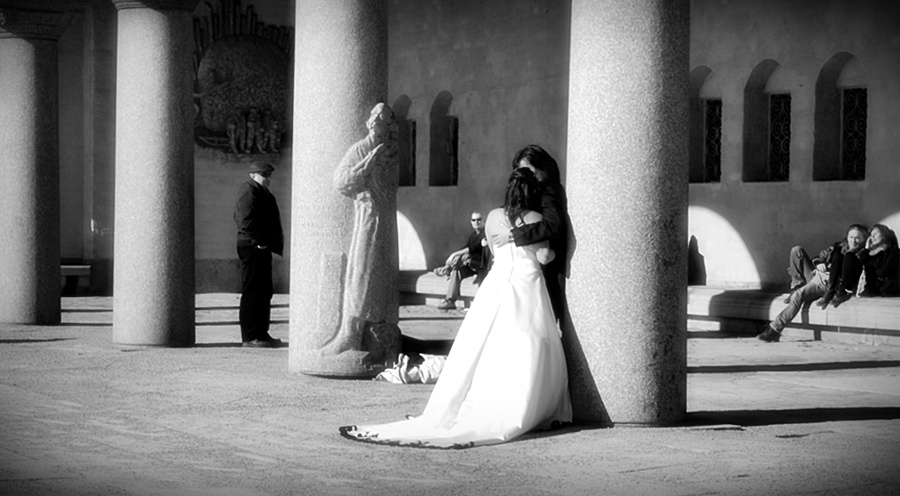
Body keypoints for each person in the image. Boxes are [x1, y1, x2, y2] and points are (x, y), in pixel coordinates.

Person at [339, 167, 572, 448]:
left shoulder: (494, 217)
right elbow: (544, 256)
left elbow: (493, 249)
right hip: (526, 285)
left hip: (496, 285)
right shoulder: (535, 219)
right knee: (528, 343)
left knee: (483, 343)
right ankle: (528, 406)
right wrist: (555, 251)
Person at [758, 224, 869, 343]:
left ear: (864, 239)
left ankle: (774, 329)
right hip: (816, 274)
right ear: (847, 237)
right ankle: (796, 286)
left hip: (825, 283)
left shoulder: (861, 254)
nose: (853, 241)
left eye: (857, 238)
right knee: (797, 250)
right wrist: (819, 263)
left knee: (798, 295)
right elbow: (819, 257)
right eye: (851, 237)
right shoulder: (837, 247)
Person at [508, 144, 570, 323]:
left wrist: (517, 234)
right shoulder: (532, 190)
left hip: (549, 266)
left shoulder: (550, 189)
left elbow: (553, 225)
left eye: (529, 171)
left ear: (543, 168)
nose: (526, 176)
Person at [234, 161, 284, 348]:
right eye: (265, 175)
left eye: (269, 175)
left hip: (261, 247)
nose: (268, 178)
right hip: (253, 247)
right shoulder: (249, 191)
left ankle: (261, 334)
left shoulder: (260, 191)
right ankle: (250, 336)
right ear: (253, 175)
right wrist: (259, 243)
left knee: (264, 291)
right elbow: (244, 221)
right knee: (253, 291)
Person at [434, 211, 491, 310]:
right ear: (471, 222)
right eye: (473, 220)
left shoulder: (486, 233)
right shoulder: (473, 235)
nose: (476, 222)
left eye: (479, 220)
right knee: (457, 271)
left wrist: (454, 254)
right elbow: (467, 247)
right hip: (471, 264)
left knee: (465, 256)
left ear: (484, 221)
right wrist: (455, 255)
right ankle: (450, 301)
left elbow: (474, 247)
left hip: (482, 265)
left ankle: (448, 269)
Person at [858, 224, 900, 297]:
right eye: (871, 235)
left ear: (884, 235)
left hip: (888, 290)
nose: (872, 237)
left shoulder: (894, 252)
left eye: (875, 234)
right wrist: (867, 248)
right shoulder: (870, 253)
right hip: (873, 289)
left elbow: (883, 272)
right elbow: (863, 264)